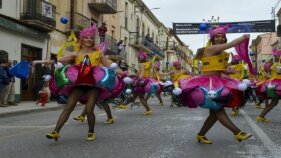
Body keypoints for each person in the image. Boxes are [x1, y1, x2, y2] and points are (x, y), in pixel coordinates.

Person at [33, 23, 125, 141]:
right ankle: (56, 131)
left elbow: (108, 63)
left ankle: (91, 131)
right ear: (82, 39)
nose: (88, 40)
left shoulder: (98, 52)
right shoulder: (76, 53)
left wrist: (119, 71)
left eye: (91, 38)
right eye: (86, 38)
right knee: (68, 107)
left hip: (94, 84)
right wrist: (39, 62)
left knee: (89, 109)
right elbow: (57, 60)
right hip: (79, 83)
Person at [178, 25, 252, 144]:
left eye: (222, 37)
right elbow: (231, 44)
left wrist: (226, 70)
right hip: (207, 85)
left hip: (217, 82)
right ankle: (237, 132)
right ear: (212, 38)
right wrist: (244, 37)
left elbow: (219, 68)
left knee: (214, 114)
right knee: (218, 109)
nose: (220, 39)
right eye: (217, 36)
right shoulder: (211, 49)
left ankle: (201, 135)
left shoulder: (222, 53)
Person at [118, 50, 159, 115]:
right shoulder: (148, 63)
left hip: (142, 81)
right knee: (135, 95)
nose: (138, 59)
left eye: (138, 58)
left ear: (141, 59)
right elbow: (144, 72)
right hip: (147, 80)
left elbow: (142, 72)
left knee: (140, 96)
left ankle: (148, 110)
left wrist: (138, 79)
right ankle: (124, 104)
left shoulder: (142, 64)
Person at [256, 57, 281, 123]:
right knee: (274, 102)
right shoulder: (277, 65)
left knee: (274, 102)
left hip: (274, 85)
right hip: (278, 85)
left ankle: (261, 116)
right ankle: (260, 116)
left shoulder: (275, 65)